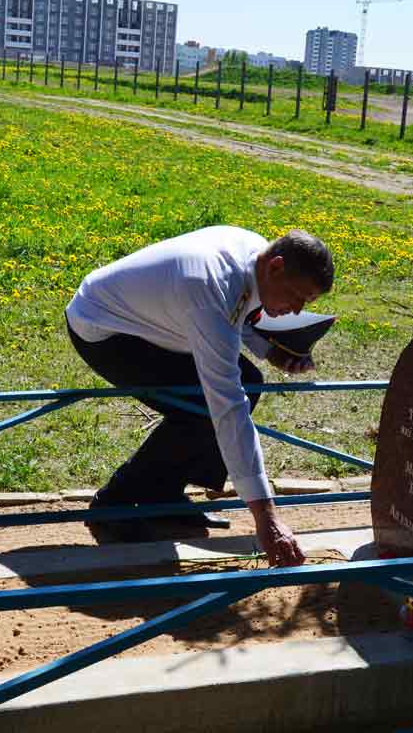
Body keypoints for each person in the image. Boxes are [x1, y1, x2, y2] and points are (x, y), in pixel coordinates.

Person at [65, 226, 335, 567]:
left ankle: (161, 496)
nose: (296, 310)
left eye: (307, 303)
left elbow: (241, 312)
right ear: (276, 266)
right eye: (297, 296)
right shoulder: (209, 286)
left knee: (246, 384)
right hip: (103, 328)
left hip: (160, 320)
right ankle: (114, 504)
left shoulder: (255, 253)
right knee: (204, 408)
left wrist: (269, 350)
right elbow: (228, 406)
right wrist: (266, 518)